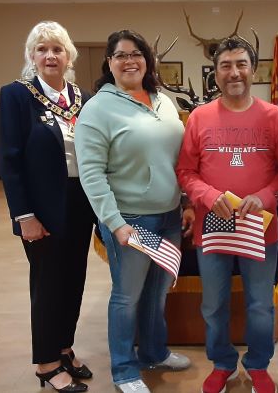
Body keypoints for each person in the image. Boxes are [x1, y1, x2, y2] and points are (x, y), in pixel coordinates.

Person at [74, 30, 191, 393]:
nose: (129, 61)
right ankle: (124, 370)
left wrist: (185, 202)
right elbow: (91, 173)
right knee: (127, 297)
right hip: (130, 220)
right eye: (120, 55)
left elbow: (177, 158)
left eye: (136, 53)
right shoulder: (97, 108)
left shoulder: (163, 100)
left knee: (157, 293)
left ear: (147, 60)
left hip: (169, 214)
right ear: (109, 63)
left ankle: (154, 352)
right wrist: (115, 223)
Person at [176, 36, 278, 393]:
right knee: (213, 304)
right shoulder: (199, 117)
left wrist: (265, 194)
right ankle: (223, 363)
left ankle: (258, 365)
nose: (234, 72)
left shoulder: (274, 117)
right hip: (212, 227)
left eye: (241, 64)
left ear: (253, 70)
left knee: (259, 304)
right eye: (225, 65)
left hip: (260, 227)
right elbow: (185, 171)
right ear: (215, 73)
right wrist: (208, 196)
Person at [0, 21, 94, 393]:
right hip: (40, 208)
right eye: (42, 49)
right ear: (31, 57)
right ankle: (46, 363)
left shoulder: (84, 97)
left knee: (74, 279)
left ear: (69, 55)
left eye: (57, 48)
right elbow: (10, 159)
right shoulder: (17, 95)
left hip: (80, 202)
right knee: (47, 283)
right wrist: (24, 215)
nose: (50, 55)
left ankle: (64, 346)